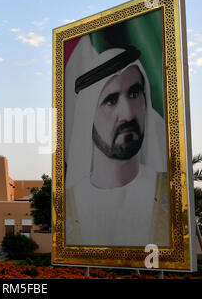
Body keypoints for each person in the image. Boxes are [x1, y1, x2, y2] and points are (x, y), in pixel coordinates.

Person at [65, 39, 170, 247]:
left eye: (134, 94)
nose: (128, 114)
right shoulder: (68, 203)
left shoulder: (169, 189)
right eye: (111, 100)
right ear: (88, 118)